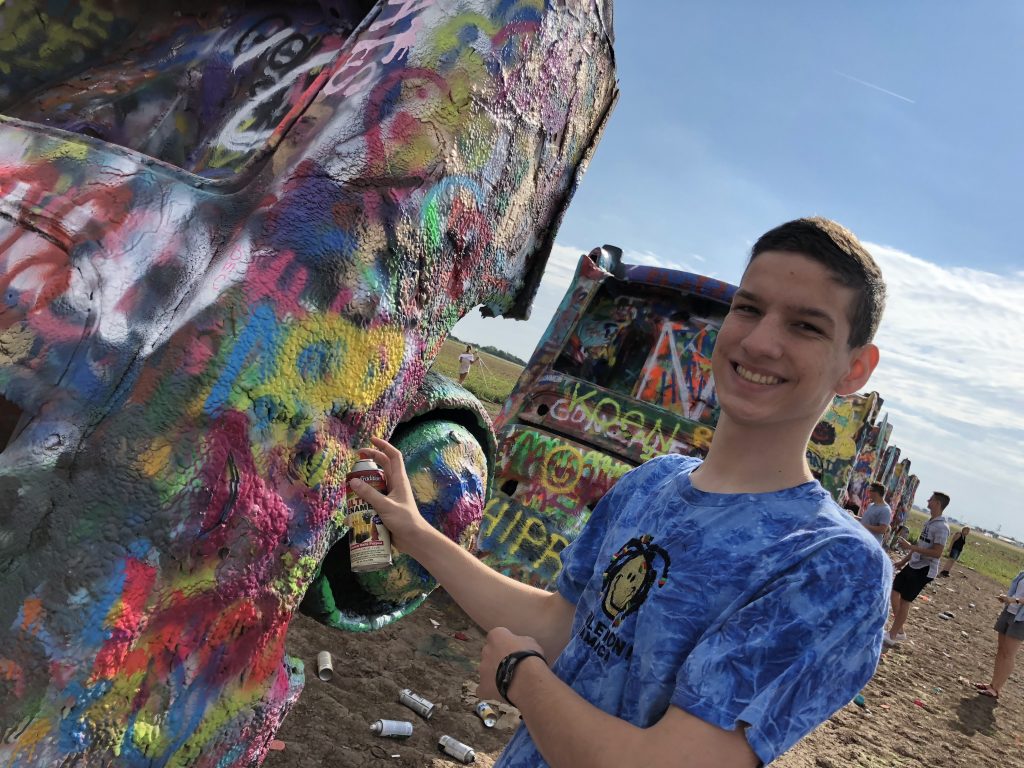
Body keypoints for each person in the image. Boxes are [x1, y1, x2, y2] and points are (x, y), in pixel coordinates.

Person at [351, 217, 892, 767]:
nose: (760, 342)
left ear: (854, 369)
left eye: (806, 327)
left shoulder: (832, 562)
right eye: (749, 308)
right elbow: (564, 627)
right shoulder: (652, 482)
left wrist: (521, 677)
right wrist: (416, 532)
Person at [883, 492, 951, 646]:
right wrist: (903, 560)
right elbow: (920, 546)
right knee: (894, 591)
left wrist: (910, 547)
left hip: (924, 569)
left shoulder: (942, 527)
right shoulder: (930, 522)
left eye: (931, 499)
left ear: (938, 504)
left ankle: (892, 635)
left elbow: (937, 553)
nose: (928, 500)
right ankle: (899, 630)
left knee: (905, 601)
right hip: (913, 564)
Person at [974, 569, 1024, 699]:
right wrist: (1007, 599)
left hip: (1021, 618)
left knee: (1008, 653)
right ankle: (992, 685)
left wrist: (1013, 600)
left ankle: (996, 688)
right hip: (1009, 611)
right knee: (1001, 650)